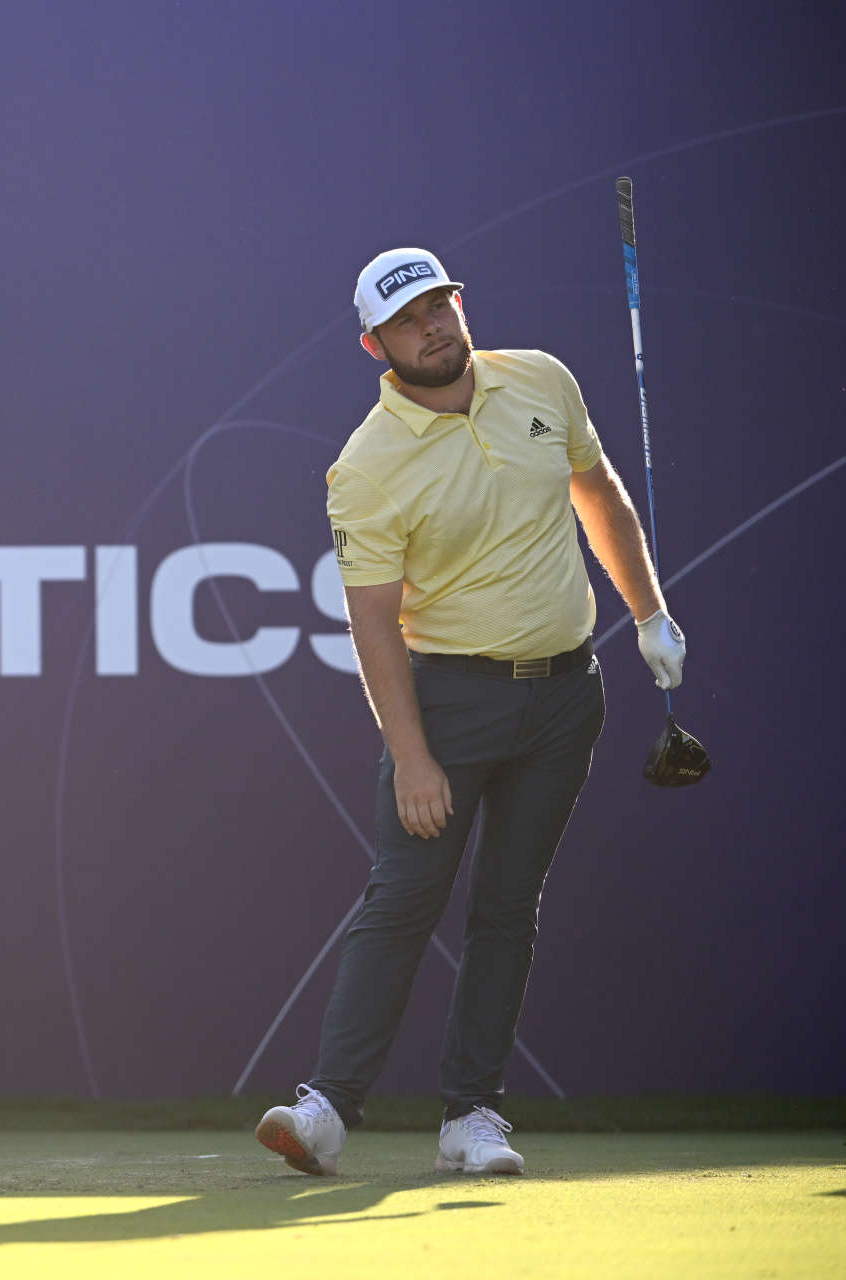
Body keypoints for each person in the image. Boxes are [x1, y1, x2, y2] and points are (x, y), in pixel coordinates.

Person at [255, 249, 687, 1177]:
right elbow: (371, 620)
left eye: (442, 303)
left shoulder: (540, 379)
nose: (435, 326)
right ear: (377, 345)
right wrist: (411, 756)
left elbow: (597, 491)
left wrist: (648, 613)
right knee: (405, 899)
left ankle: (472, 1116)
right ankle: (327, 1107)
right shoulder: (367, 466)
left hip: (570, 695)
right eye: (411, 320)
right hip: (451, 701)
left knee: (507, 907)